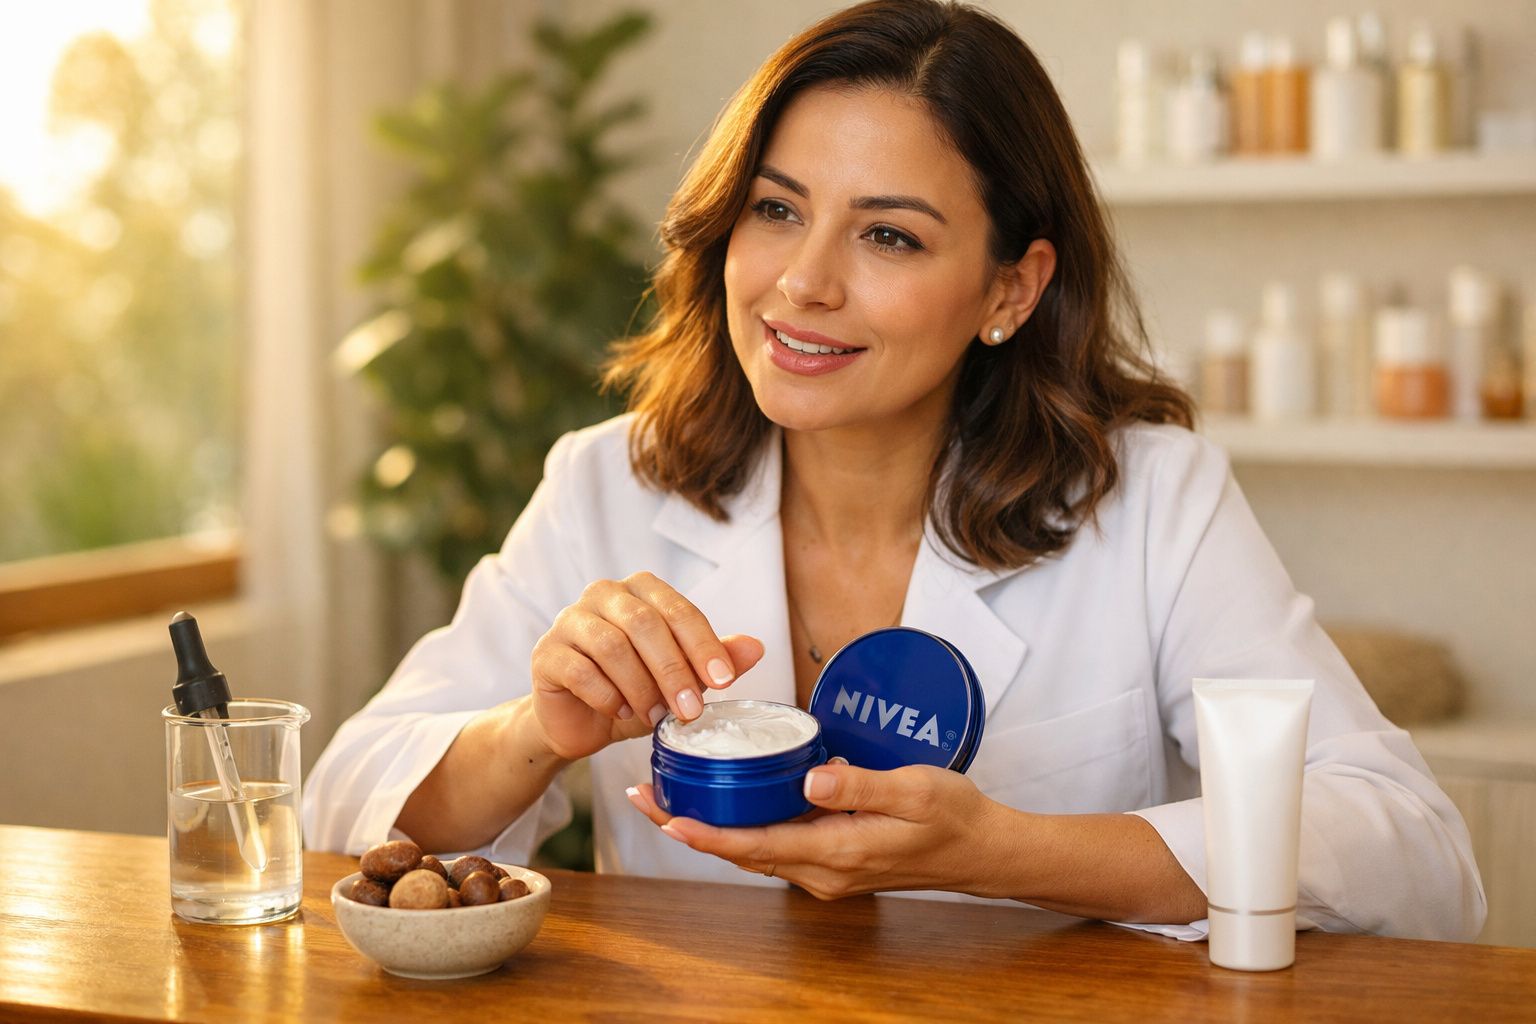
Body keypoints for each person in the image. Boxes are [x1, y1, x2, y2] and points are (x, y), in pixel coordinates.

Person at [304, 0, 1484, 939]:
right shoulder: (612, 486)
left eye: (889, 235)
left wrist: (1002, 852)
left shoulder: (1151, 498)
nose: (802, 282)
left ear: (1012, 289)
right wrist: (538, 728)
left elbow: (1414, 853)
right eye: (776, 209)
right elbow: (337, 811)